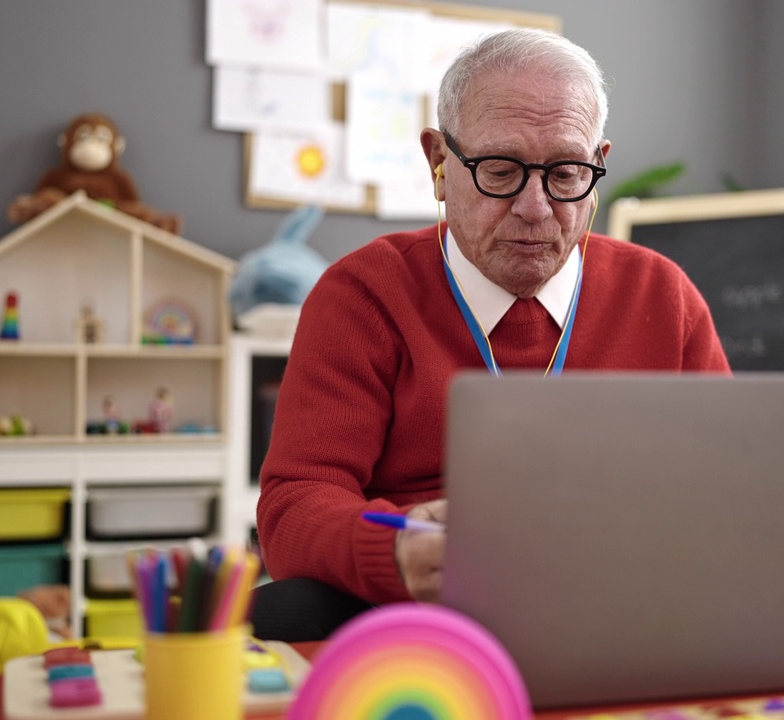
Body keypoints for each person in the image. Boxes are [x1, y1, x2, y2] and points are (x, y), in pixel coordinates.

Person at [253, 29, 731, 641]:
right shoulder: (364, 295)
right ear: (439, 164)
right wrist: (397, 552)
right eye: (500, 170)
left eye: (565, 174)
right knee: (284, 611)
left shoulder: (662, 296)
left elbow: (720, 489)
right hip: (429, 599)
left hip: (620, 588)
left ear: (598, 165)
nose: (535, 208)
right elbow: (295, 504)